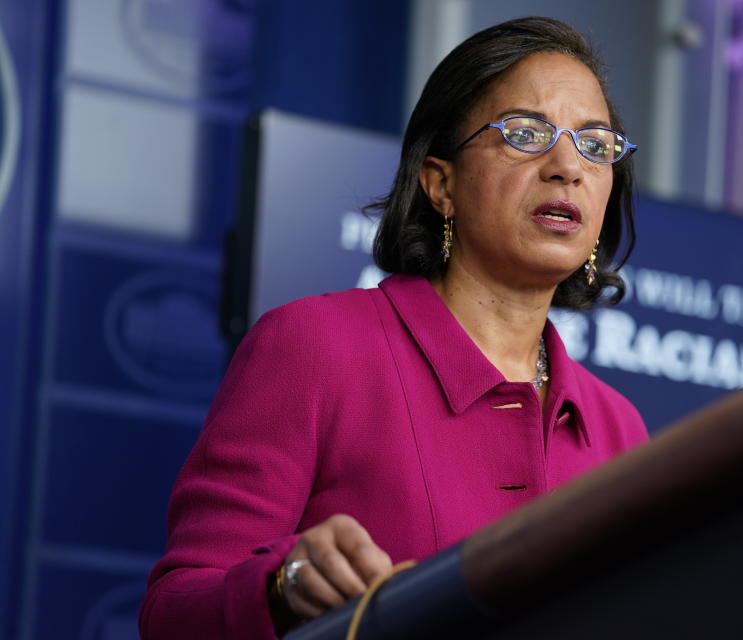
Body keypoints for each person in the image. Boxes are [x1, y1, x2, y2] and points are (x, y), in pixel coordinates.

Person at [139, 16, 648, 640]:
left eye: (595, 145)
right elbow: (174, 614)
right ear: (440, 184)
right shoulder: (315, 346)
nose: (567, 167)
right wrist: (282, 586)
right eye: (525, 133)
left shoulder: (620, 429)